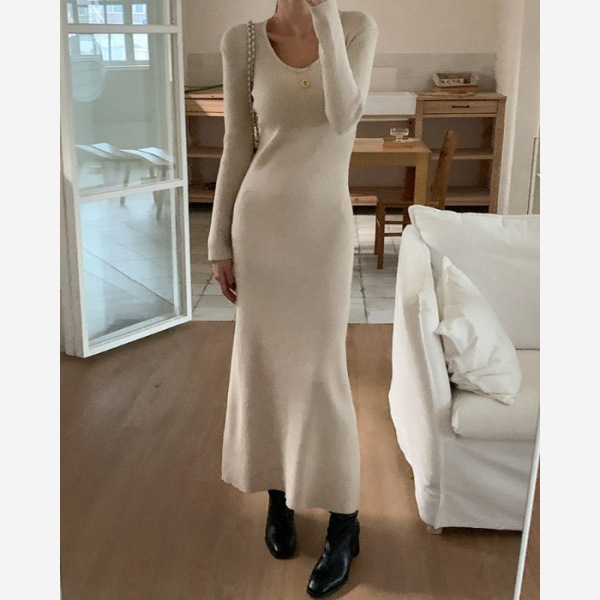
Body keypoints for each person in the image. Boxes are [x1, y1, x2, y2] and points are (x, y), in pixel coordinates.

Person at [207, 0, 378, 596]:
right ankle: (279, 497)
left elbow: (344, 115)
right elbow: (236, 144)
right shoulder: (243, 41)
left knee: (322, 375)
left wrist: (324, 16)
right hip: (260, 228)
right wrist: (219, 240)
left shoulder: (354, 28)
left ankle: (344, 524)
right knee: (268, 370)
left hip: (322, 232)